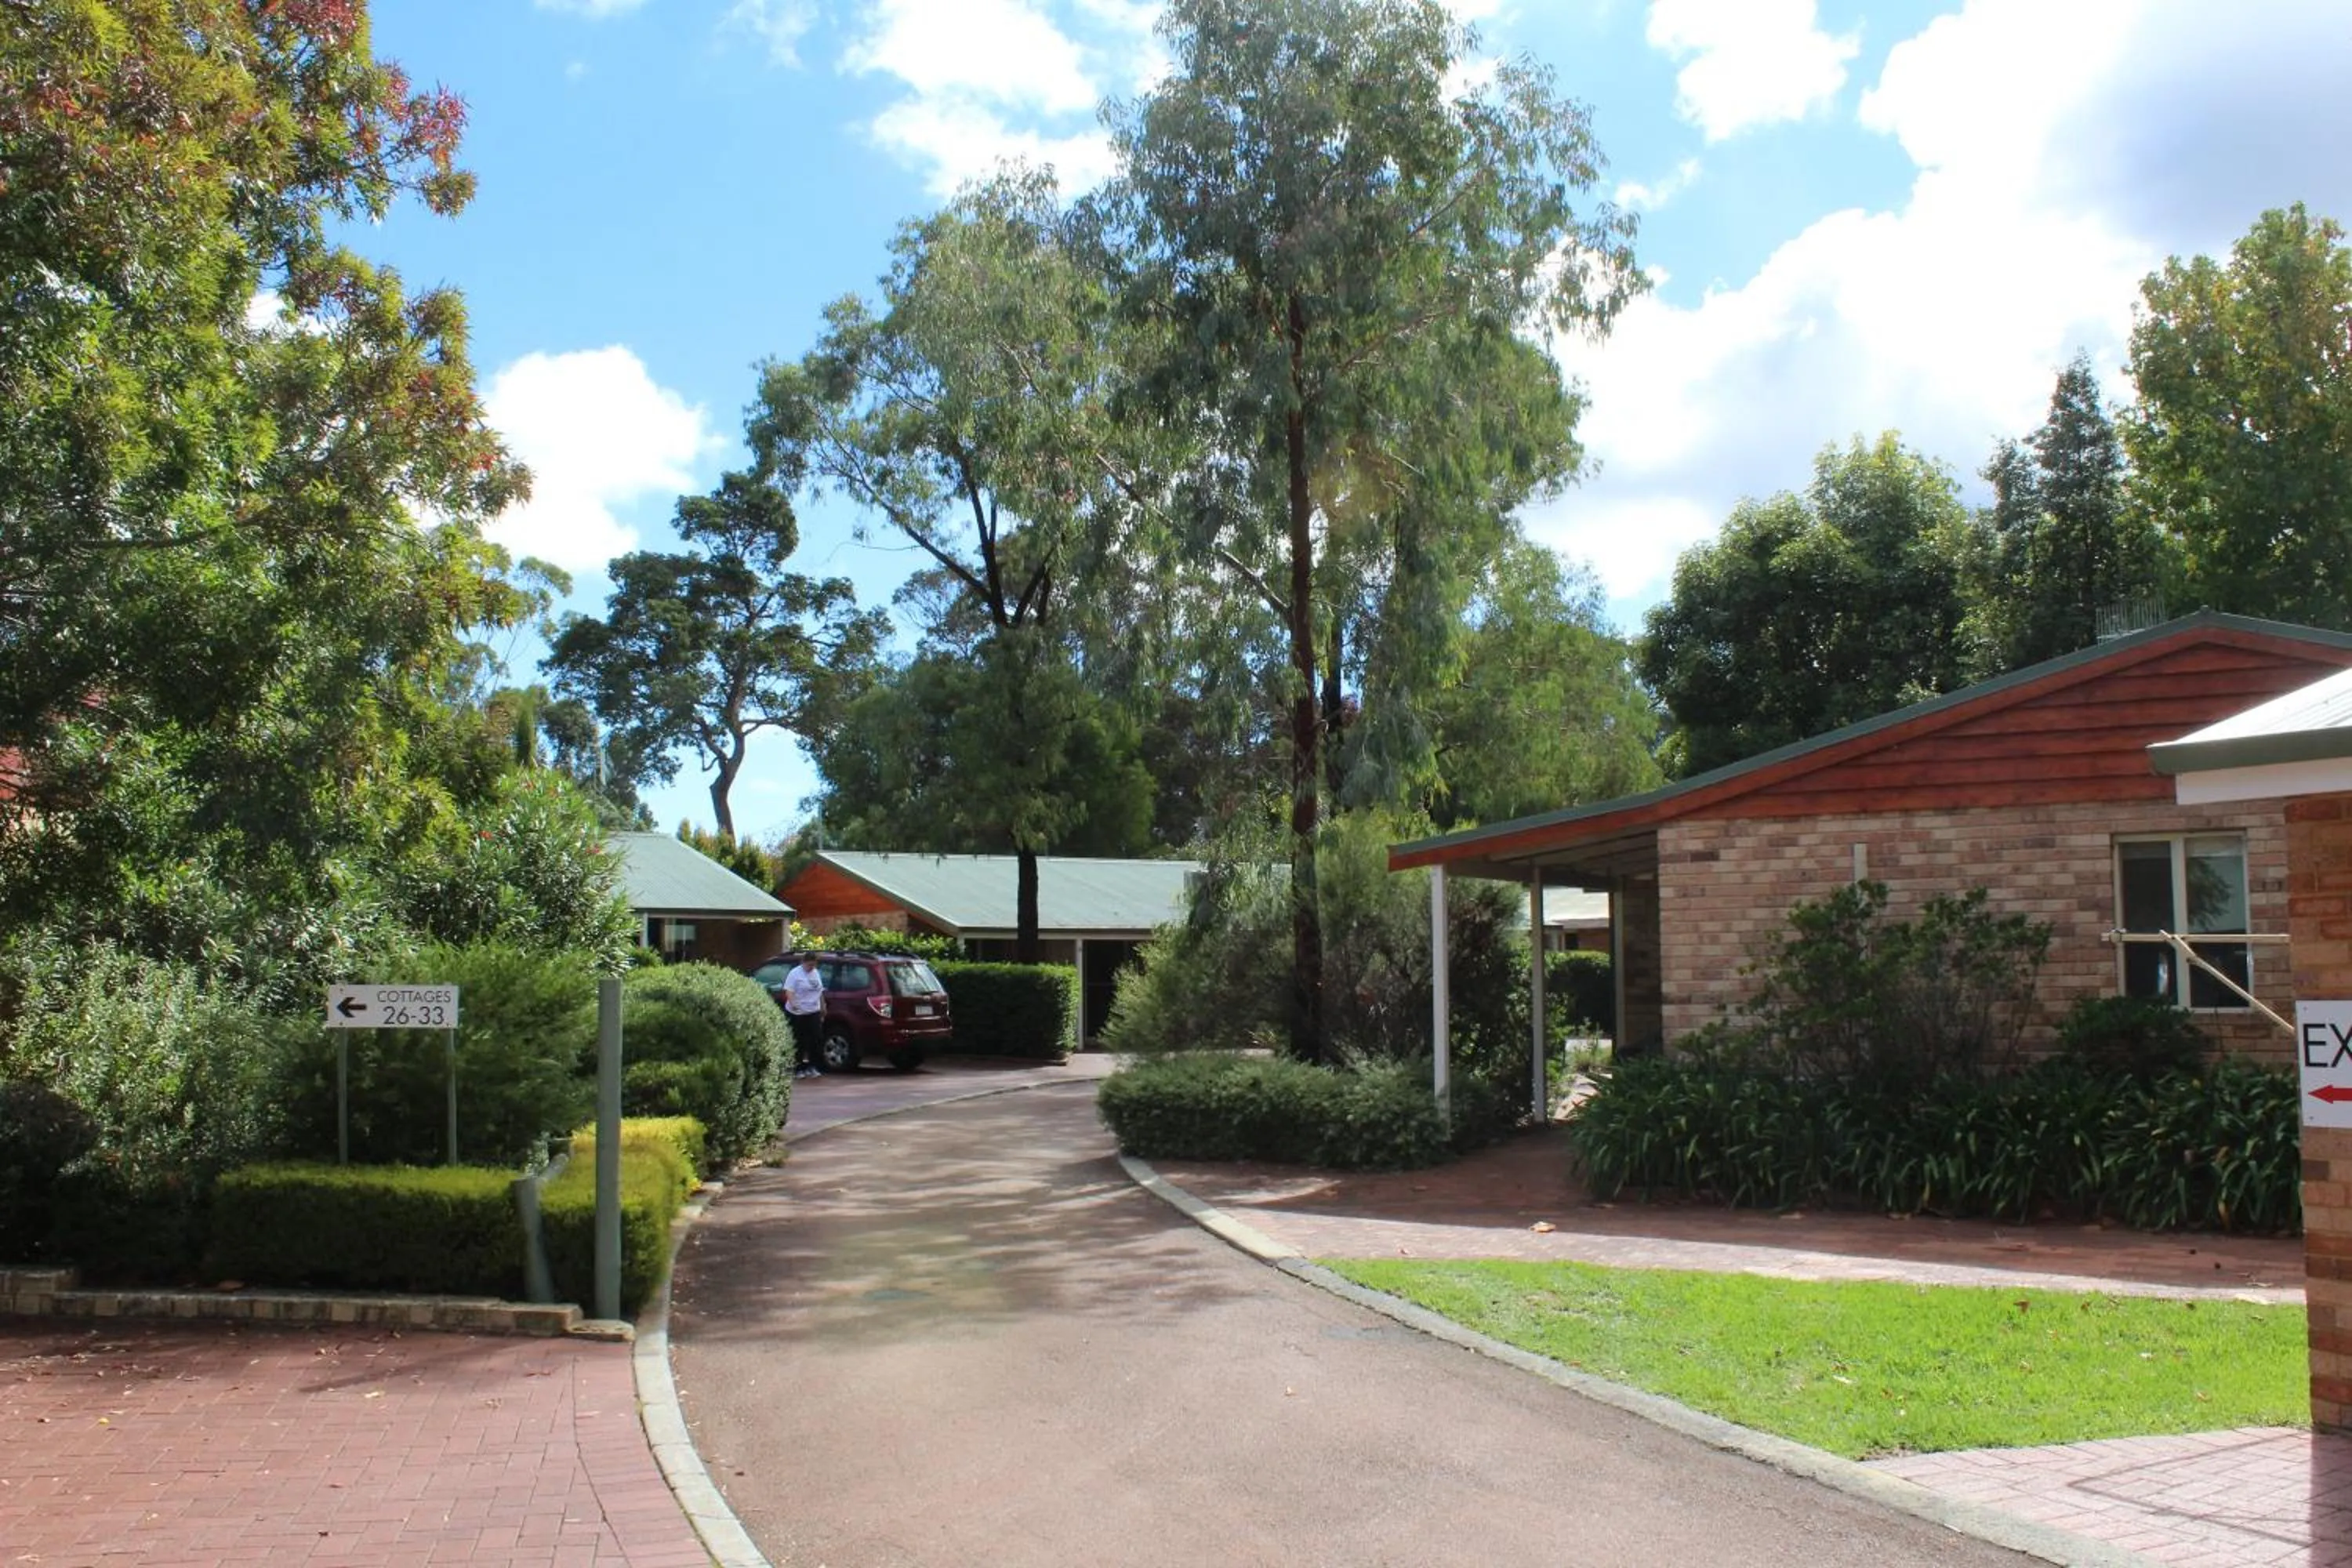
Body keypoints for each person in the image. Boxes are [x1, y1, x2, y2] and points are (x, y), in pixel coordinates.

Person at [782, 953, 826, 1076]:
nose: (811, 967)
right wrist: (794, 1004)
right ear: (804, 962)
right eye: (809, 965)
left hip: (813, 1011)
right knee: (799, 1040)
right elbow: (789, 991)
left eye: (814, 965)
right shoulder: (795, 973)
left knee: (816, 1039)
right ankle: (798, 1068)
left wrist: (823, 1006)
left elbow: (820, 991)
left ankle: (813, 1066)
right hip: (798, 1012)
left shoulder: (815, 973)